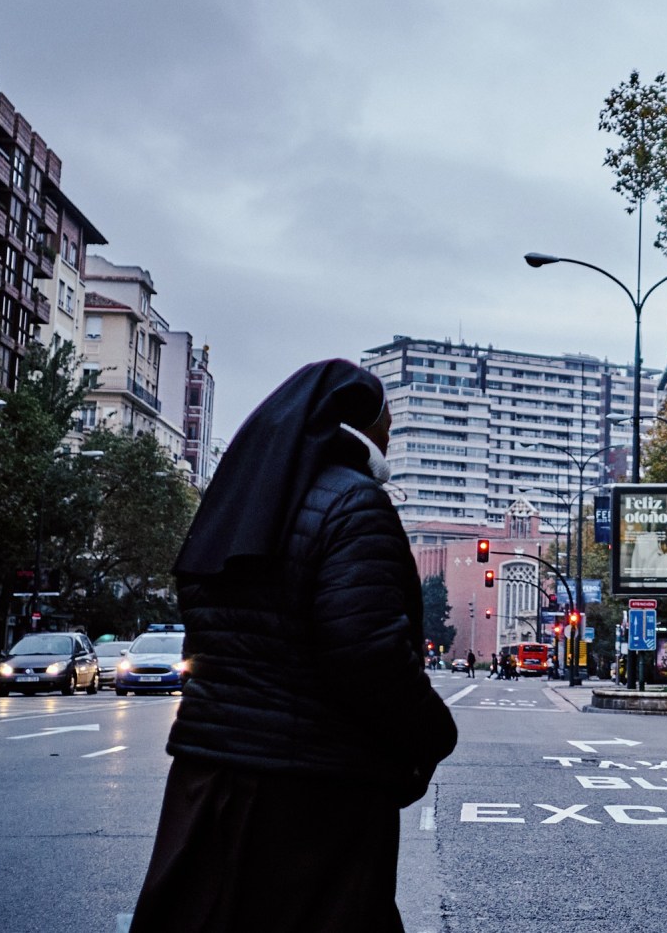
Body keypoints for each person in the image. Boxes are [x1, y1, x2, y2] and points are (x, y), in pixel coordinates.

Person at [130, 360, 456, 933]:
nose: (389, 438)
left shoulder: (233, 509)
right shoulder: (354, 503)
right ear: (358, 425)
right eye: (388, 424)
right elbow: (367, 652)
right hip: (313, 791)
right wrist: (434, 733)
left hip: (209, 782)